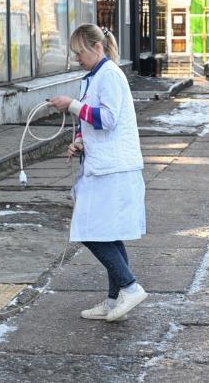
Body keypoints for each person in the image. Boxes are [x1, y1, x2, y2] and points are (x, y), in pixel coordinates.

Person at [47, 23, 147, 322]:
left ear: (97, 48)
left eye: (80, 53)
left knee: (90, 231)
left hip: (113, 169)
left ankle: (130, 287)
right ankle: (115, 298)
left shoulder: (110, 76)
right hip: (104, 165)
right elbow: (96, 123)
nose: (77, 59)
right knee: (110, 234)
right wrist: (80, 142)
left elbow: (109, 119)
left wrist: (72, 106)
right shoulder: (95, 77)